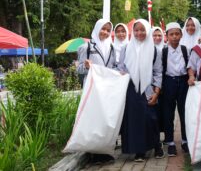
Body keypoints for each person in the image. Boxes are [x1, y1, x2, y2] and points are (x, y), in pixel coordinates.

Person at [118, 19, 164, 162]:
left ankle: (157, 146)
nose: (139, 33)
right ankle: (139, 151)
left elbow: (158, 72)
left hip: (148, 89)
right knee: (135, 120)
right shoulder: (126, 48)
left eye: (142, 30)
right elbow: (121, 67)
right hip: (131, 89)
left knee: (151, 119)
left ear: (147, 31)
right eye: (136, 30)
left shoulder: (155, 50)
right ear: (133, 32)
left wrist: (156, 93)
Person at [76, 18, 117, 163]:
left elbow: (113, 68)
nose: (105, 32)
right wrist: (86, 67)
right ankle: (93, 152)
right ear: (97, 28)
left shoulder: (111, 48)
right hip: (92, 89)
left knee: (104, 119)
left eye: (107, 30)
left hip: (106, 90)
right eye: (103, 29)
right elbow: (78, 70)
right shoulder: (86, 47)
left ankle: (103, 151)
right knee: (93, 119)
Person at [162, 22, 189, 156]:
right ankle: (170, 142)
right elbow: (160, 69)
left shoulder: (185, 50)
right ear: (166, 36)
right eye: (171, 34)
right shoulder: (163, 51)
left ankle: (185, 140)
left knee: (184, 112)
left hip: (183, 82)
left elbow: (190, 66)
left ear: (181, 35)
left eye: (177, 34)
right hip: (168, 82)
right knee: (168, 113)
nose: (174, 37)